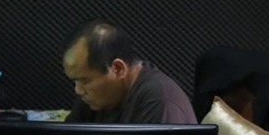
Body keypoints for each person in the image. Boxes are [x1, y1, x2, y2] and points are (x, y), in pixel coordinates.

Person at [62, 19, 197, 124]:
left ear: (118, 69)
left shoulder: (161, 100)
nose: (78, 90)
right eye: (75, 81)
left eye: (85, 81)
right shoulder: (94, 98)